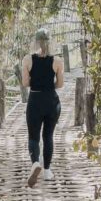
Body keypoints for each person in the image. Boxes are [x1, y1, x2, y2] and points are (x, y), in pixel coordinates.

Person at [22, 29, 64, 187]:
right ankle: (47, 171)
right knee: (48, 136)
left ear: (36, 41)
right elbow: (60, 84)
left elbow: (25, 83)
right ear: (50, 41)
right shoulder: (57, 61)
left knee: (33, 137)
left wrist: (37, 82)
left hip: (35, 100)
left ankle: (35, 163)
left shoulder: (27, 59)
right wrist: (48, 85)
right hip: (52, 101)